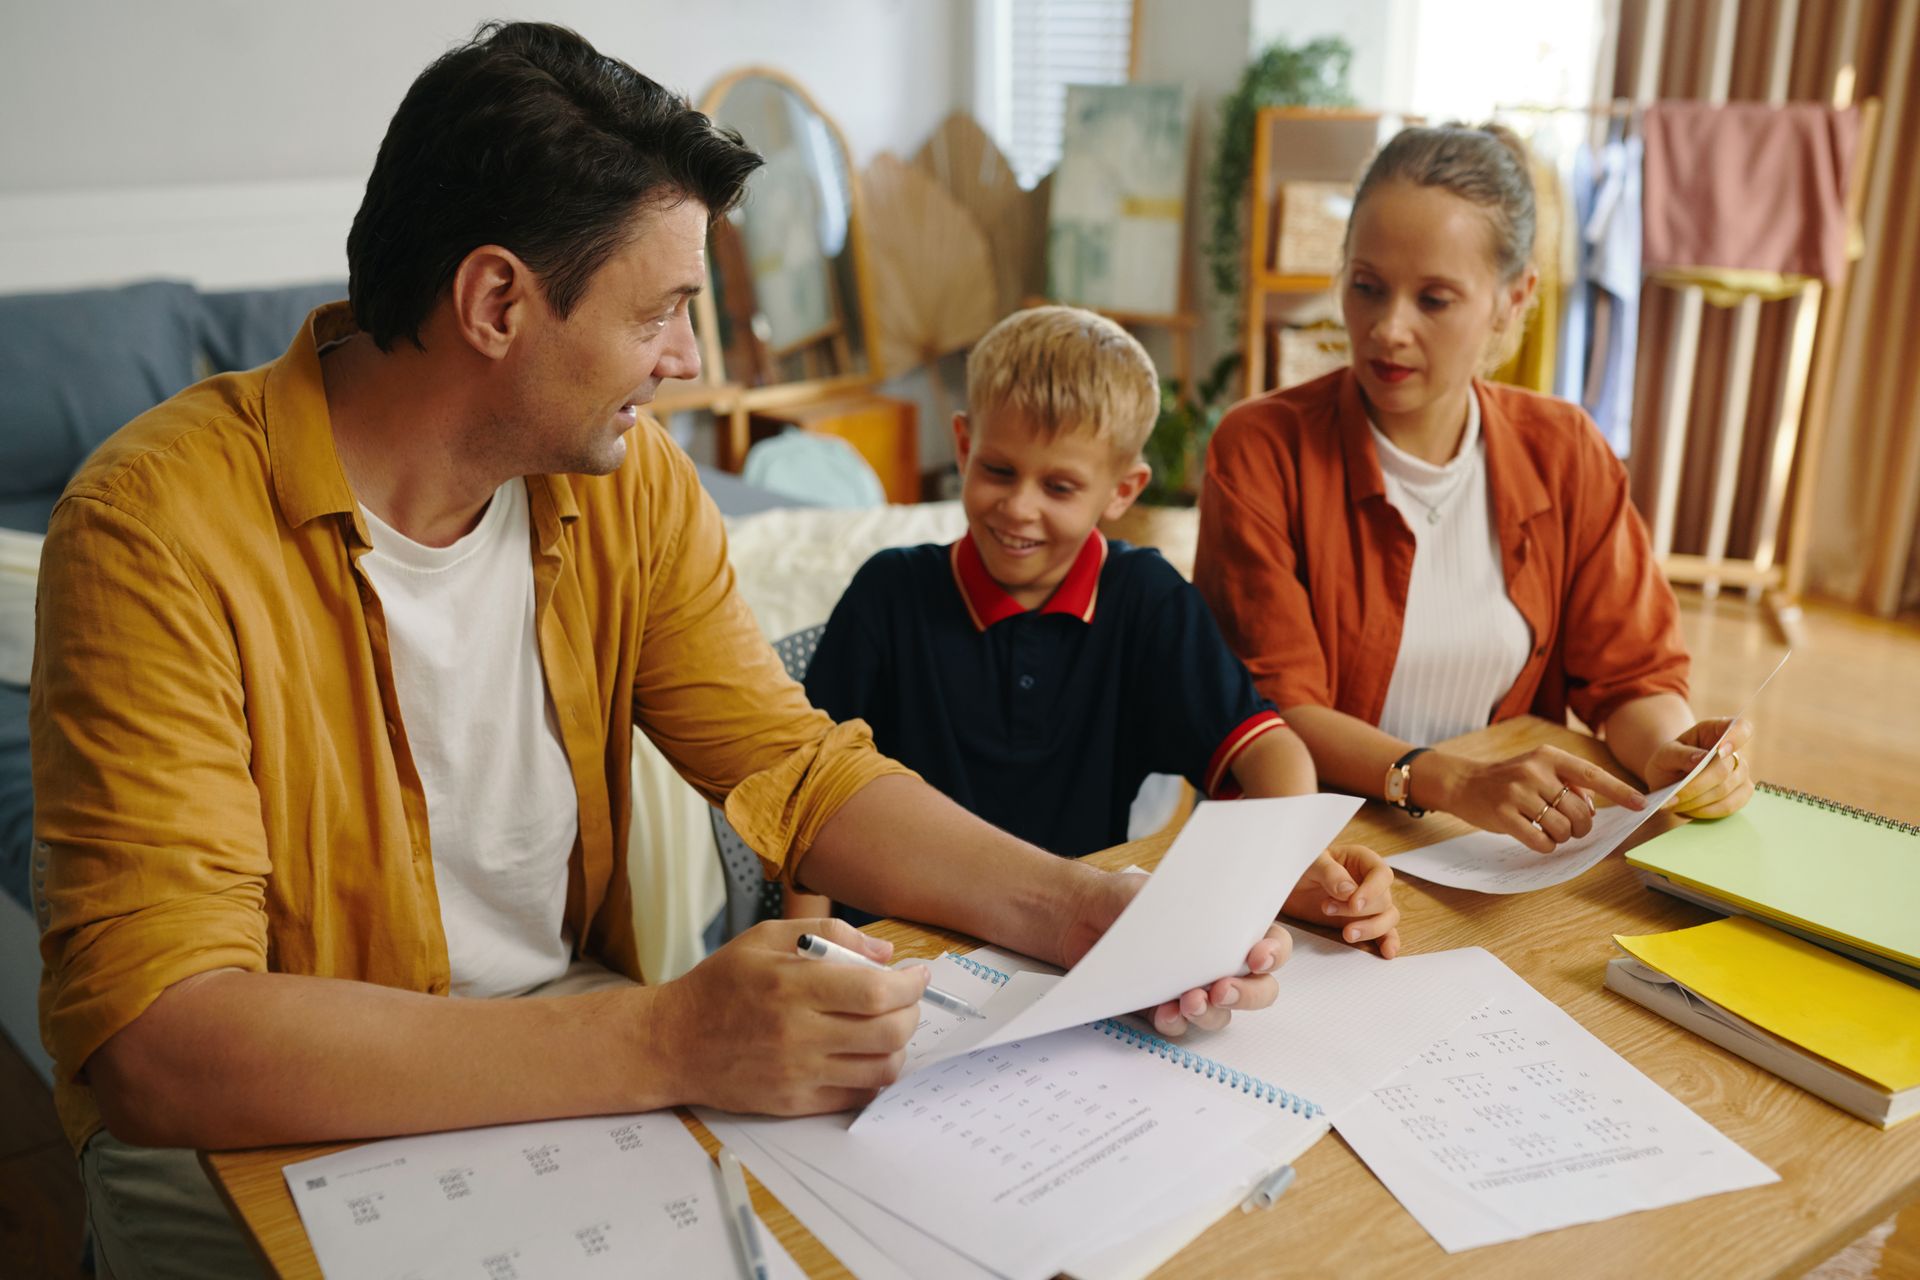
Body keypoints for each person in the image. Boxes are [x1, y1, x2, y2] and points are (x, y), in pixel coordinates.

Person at [30, 26, 1286, 1279]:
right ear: (497, 302)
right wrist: (667, 1039)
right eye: (664, 310)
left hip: (571, 1063)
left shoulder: (630, 487)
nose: (688, 358)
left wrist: (1078, 908)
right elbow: (161, 1043)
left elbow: (795, 767)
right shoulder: (153, 528)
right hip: (249, 1140)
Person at [1194, 124, 1755, 851]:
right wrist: (1454, 783)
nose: (1387, 329)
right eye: (1366, 287)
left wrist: (1674, 756)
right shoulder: (1261, 451)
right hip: (1316, 844)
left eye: (1433, 300)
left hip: (1501, 845)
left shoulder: (1565, 452)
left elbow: (1632, 677)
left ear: (1511, 300)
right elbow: (1274, 710)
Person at [801, 306, 1402, 952]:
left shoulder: (1146, 601)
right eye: (999, 470)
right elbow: (805, 800)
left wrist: (1288, 862)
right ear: (965, 445)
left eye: (1059, 486)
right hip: (895, 947)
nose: (1019, 507)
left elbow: (1269, 751)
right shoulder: (887, 596)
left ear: (1123, 490)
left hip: (1080, 946)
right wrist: (804, 937)